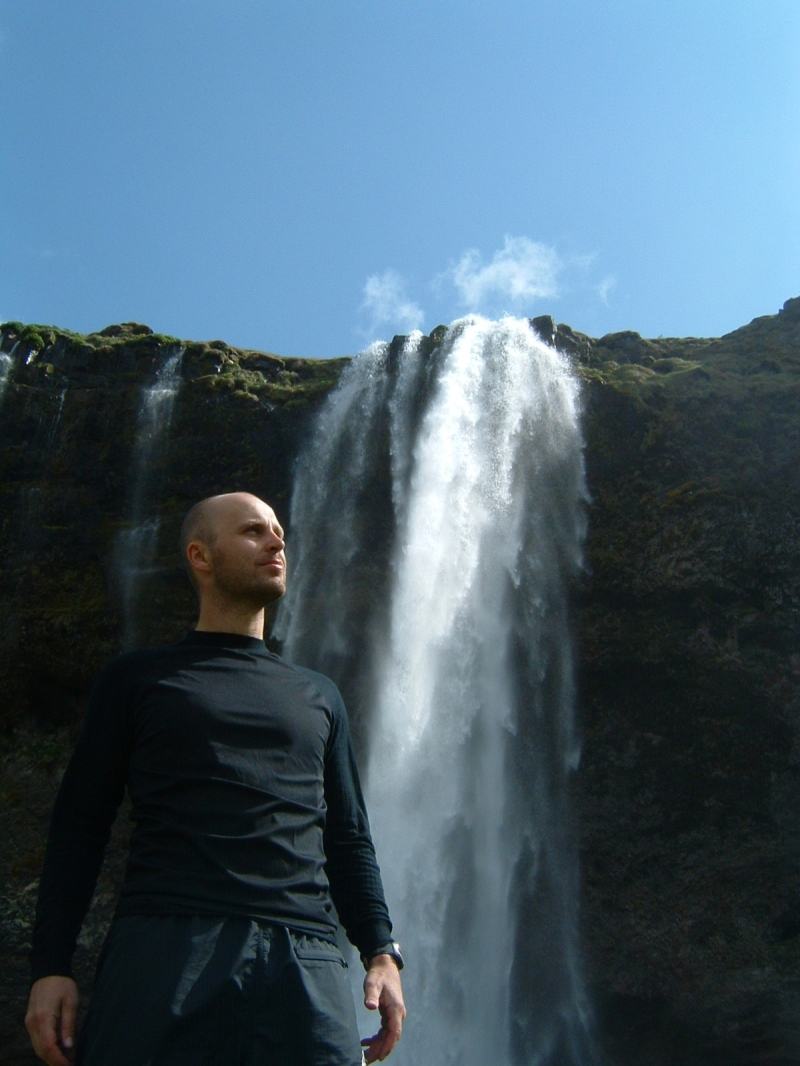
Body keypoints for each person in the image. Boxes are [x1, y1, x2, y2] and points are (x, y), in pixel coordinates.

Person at [25, 492, 405, 1066]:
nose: (277, 542)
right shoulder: (136, 680)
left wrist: (381, 950)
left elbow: (348, 837)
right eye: (254, 531)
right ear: (200, 556)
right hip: (168, 945)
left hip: (305, 957)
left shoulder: (320, 695)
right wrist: (51, 965)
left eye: (279, 533)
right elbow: (79, 826)